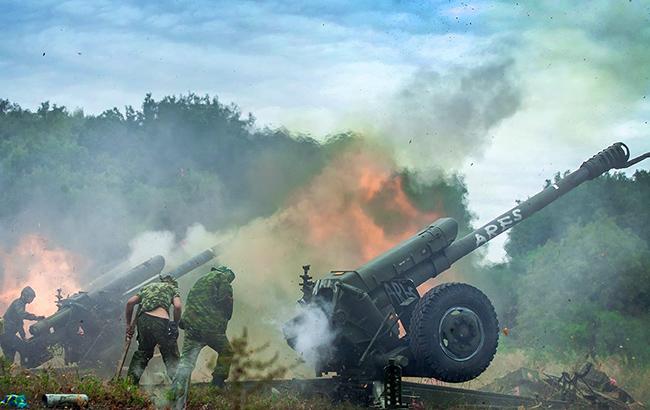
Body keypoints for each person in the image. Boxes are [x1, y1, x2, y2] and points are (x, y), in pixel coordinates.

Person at [172, 266, 235, 398]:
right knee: (226, 351)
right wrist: (226, 317)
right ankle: (216, 386)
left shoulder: (200, 280)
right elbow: (226, 301)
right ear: (226, 274)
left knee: (187, 361)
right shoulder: (221, 278)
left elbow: (190, 303)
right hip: (210, 326)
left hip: (191, 326)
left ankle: (176, 392)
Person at [125, 275, 182, 384]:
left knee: (143, 352)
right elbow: (178, 306)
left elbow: (130, 303)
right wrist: (175, 324)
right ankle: (178, 386)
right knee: (170, 353)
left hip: (143, 320)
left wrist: (128, 325)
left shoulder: (147, 287)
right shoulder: (172, 288)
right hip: (161, 321)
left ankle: (129, 385)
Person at [1, 286, 45, 365]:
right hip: (7, 334)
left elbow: (19, 324)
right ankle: (24, 369)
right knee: (23, 348)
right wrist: (36, 317)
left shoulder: (20, 304)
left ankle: (4, 375)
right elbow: (22, 314)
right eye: (31, 297)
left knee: (9, 357)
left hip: (5, 335)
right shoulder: (18, 303)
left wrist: (23, 337)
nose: (32, 300)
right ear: (25, 295)